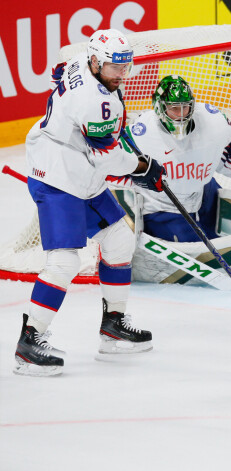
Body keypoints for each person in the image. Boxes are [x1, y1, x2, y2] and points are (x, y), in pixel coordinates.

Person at [14, 29, 166, 377]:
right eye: (114, 68)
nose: (121, 76)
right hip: (57, 176)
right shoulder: (97, 102)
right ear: (96, 61)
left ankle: (113, 326)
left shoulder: (79, 64)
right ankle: (29, 342)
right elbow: (108, 160)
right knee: (64, 261)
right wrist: (143, 169)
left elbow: (57, 73)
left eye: (125, 67)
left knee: (119, 239)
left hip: (78, 169)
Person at [127, 74, 231, 244]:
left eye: (185, 107)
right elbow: (116, 171)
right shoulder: (140, 134)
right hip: (161, 206)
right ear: (160, 108)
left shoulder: (213, 121)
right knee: (197, 253)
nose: (180, 115)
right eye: (174, 108)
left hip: (202, 193)